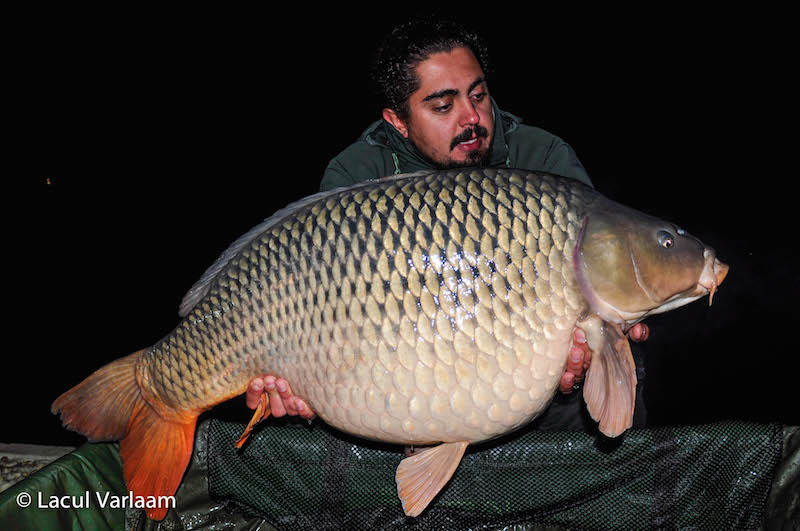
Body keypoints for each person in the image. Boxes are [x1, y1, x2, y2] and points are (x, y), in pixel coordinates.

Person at [244, 18, 649, 430]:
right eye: (443, 106)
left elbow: (601, 276)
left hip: (520, 377)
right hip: (394, 371)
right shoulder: (357, 174)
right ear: (397, 121)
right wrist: (302, 382)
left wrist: (603, 335)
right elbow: (320, 307)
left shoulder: (542, 158)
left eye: (479, 95)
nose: (471, 118)